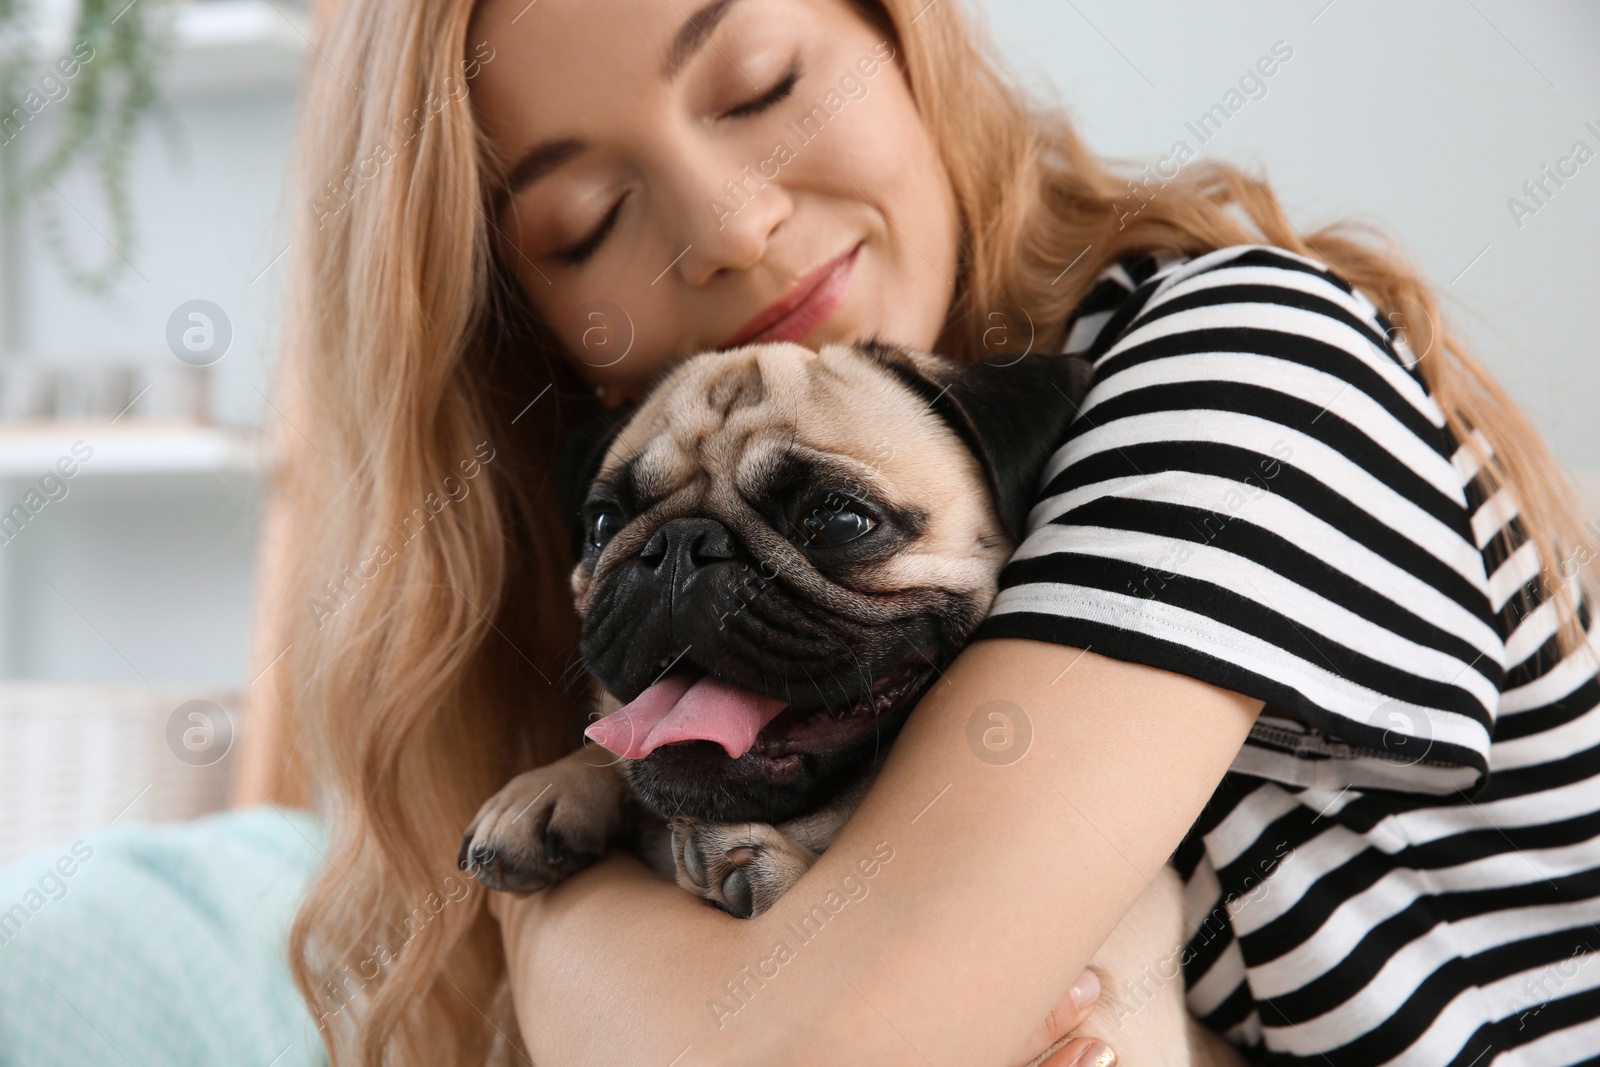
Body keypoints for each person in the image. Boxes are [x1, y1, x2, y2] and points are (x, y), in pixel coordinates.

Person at [240, 0, 1600, 1064]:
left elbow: (794, 1053)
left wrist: (548, 897)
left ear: (902, 42)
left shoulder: (1241, 374)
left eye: (763, 87)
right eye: (585, 221)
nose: (727, 225)